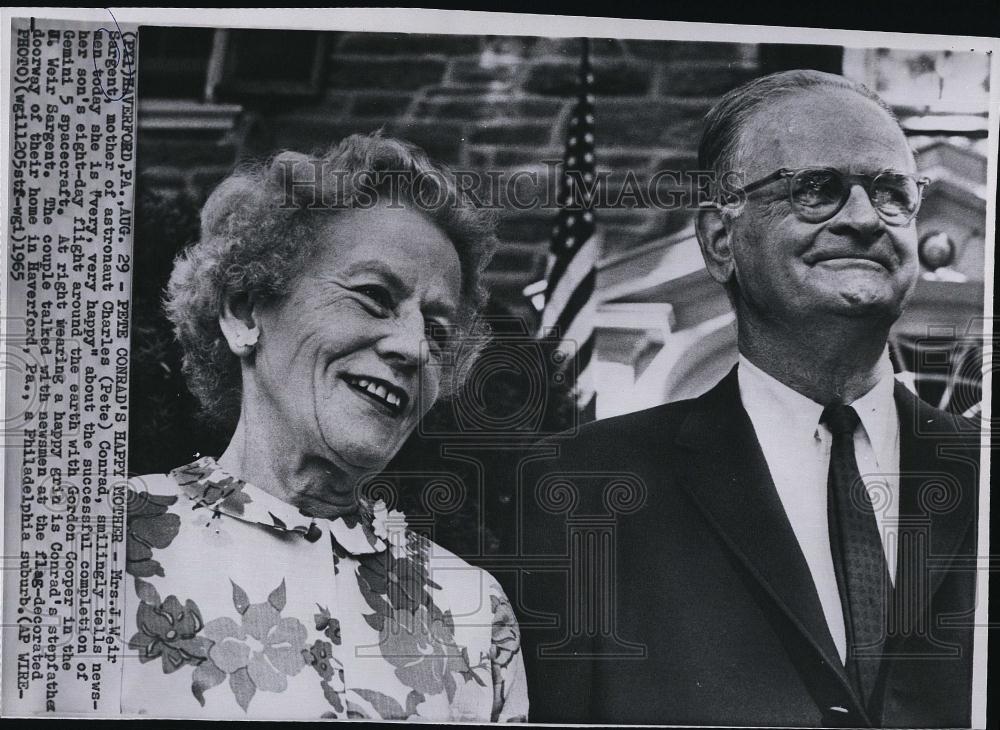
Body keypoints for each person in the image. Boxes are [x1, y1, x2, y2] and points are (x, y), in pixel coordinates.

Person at [518, 70, 980, 727]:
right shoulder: (582, 486)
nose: (862, 218)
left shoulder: (986, 473)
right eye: (816, 189)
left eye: (890, 191)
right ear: (717, 239)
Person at [122, 132, 528, 721]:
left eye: (437, 331)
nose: (415, 348)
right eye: (372, 296)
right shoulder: (99, 543)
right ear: (243, 310)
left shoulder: (474, 610)